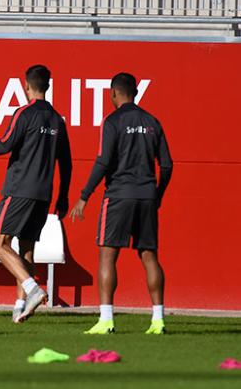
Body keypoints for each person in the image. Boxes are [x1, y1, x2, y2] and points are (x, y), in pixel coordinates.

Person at [0, 65, 72, 323]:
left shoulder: (24, 113)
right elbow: (66, 162)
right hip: (44, 194)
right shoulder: (56, 119)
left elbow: (4, 144)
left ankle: (32, 290)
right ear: (49, 86)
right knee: (26, 251)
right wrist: (63, 197)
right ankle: (20, 306)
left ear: (25, 85)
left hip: (19, 190)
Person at [70, 72, 173, 335]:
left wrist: (84, 196)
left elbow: (103, 162)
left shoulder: (112, 121)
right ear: (136, 92)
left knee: (107, 255)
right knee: (149, 256)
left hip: (118, 195)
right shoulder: (152, 121)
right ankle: (158, 320)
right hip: (147, 195)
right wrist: (157, 194)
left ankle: (106, 320)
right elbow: (167, 165)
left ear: (113, 93)